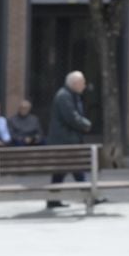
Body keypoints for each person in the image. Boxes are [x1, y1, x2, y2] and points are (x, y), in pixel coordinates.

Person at [45, 69, 94, 208]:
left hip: (64, 141)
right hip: (66, 141)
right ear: (74, 83)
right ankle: (89, 197)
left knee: (60, 172)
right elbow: (71, 117)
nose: (84, 85)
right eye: (82, 83)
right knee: (77, 169)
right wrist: (86, 124)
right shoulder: (64, 96)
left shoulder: (69, 95)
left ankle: (53, 200)